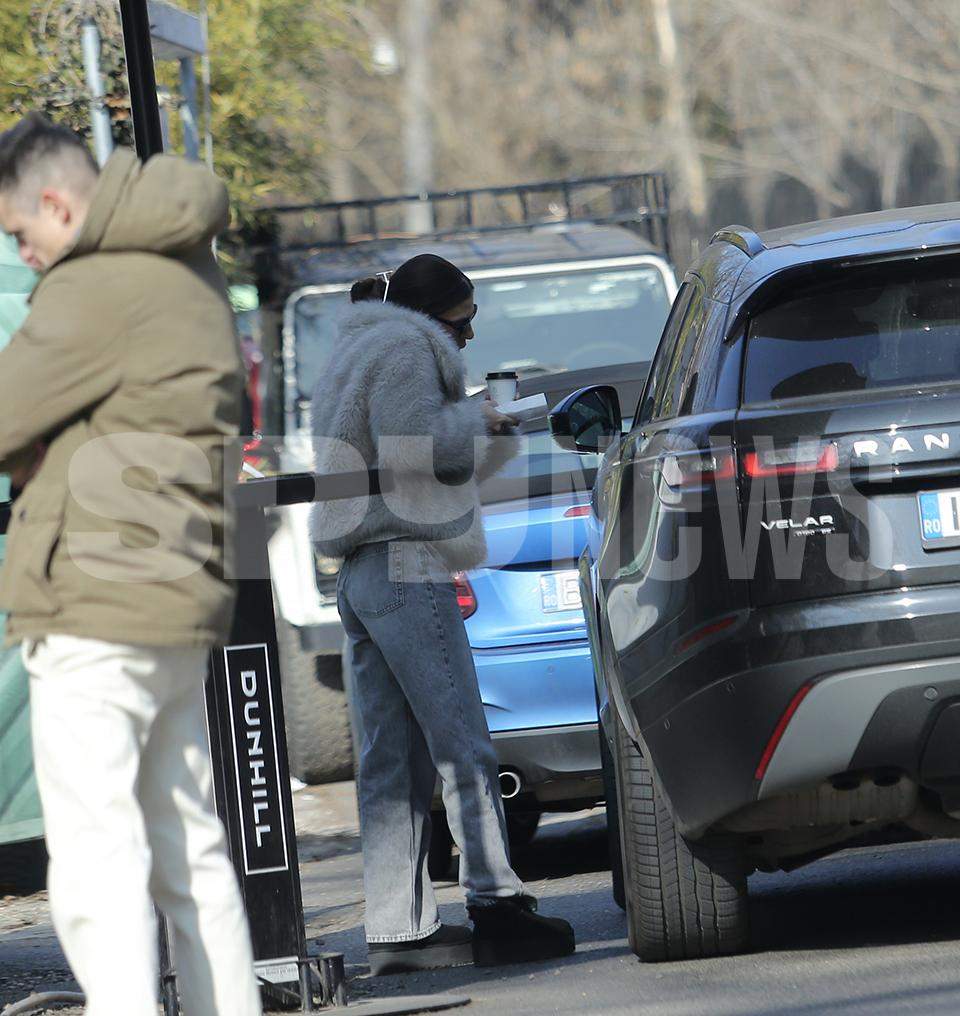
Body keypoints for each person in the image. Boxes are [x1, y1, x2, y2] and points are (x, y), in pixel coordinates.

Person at [0, 113, 261, 1016]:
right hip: (177, 597)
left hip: (92, 607)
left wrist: (44, 447)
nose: (24, 255)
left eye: (19, 236)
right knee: (189, 850)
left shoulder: (91, 287)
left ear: (56, 204)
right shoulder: (190, 270)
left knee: (95, 859)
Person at [310, 253, 576, 975]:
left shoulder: (356, 348)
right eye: (463, 324)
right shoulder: (404, 348)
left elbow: (417, 459)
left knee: (390, 764)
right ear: (434, 316)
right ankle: (496, 903)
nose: (467, 339)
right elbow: (420, 450)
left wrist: (480, 431)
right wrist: (481, 419)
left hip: (363, 569)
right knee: (462, 740)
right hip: (405, 558)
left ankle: (397, 926)